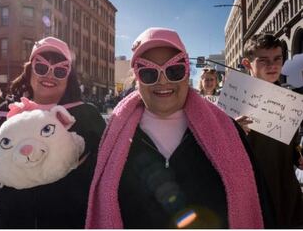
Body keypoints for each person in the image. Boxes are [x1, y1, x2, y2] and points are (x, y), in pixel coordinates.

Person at [86, 27, 273, 228]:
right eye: (149, 73)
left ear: (186, 72)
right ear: (137, 79)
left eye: (174, 70)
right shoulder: (113, 140)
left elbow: (259, 204)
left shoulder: (229, 132)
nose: (163, 80)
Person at [0, 37, 106, 228]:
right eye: (41, 67)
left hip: (70, 219)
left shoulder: (85, 115)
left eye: (60, 70)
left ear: (69, 76)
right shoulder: (7, 112)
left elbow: (110, 168)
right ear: (29, 71)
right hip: (15, 218)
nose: (49, 76)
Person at [237, 33, 303, 228]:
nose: (272, 65)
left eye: (277, 59)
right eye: (263, 60)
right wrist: (232, 129)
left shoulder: (290, 100)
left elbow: (290, 145)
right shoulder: (234, 100)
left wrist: (297, 155)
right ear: (247, 64)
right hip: (252, 195)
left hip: (286, 192)